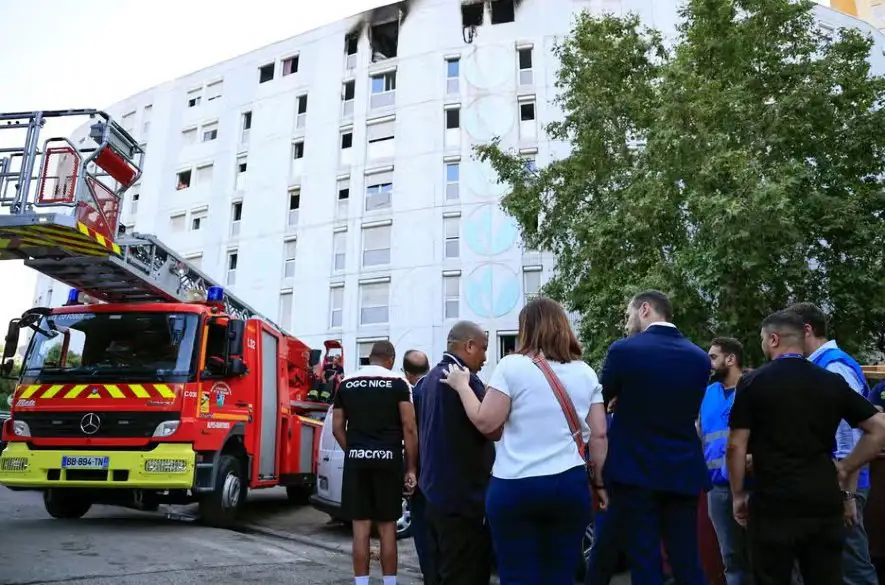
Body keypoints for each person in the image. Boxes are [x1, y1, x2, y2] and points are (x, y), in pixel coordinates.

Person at [442, 297, 608, 585]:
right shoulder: (586, 372)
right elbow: (599, 435)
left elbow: (486, 421)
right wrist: (601, 484)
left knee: (518, 575)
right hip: (569, 485)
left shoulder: (512, 366)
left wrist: (462, 386)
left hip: (515, 487)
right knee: (562, 574)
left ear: (526, 329)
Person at [726, 310, 885, 585]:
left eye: (763, 339)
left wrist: (738, 494)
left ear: (774, 339)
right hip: (822, 501)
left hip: (773, 503)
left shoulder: (753, 382)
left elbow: (735, 446)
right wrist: (846, 467)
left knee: (772, 577)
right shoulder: (830, 381)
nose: (762, 345)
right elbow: (878, 427)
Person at [600, 290, 711, 585]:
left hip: (636, 471)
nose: (627, 323)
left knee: (645, 559)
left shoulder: (624, 351)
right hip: (683, 471)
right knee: (687, 560)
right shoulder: (700, 358)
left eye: (628, 314)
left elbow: (601, 398)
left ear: (645, 309)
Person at [787, 302, 879, 585]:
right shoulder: (820, 366)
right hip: (829, 484)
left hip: (841, 487)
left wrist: (846, 494)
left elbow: (849, 437)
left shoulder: (834, 367)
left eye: (789, 334)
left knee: (852, 570)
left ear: (807, 330)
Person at [332, 340, 419, 585]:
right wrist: (411, 468)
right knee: (387, 528)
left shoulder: (347, 383)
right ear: (390, 359)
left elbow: (337, 427)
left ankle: (362, 583)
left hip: (357, 463)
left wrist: (355, 451)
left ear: (370, 358)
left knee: (360, 529)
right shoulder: (398, 383)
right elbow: (409, 428)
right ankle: (389, 583)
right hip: (389, 461)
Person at [416, 321, 494, 585]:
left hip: (433, 494)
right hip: (462, 498)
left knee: (440, 572)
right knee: (466, 574)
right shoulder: (464, 380)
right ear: (468, 345)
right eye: (483, 349)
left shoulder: (428, 381)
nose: (485, 357)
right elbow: (490, 425)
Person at [701, 337, 752, 585]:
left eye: (713, 357)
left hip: (752, 484)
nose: (708, 363)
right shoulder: (708, 393)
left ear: (730, 359)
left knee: (760, 555)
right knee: (730, 557)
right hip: (717, 488)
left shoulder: (753, 387)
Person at [401, 350, 433, 583]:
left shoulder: (412, 395)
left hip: (421, 475)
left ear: (407, 373)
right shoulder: (443, 389)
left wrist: (410, 471)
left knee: (424, 537)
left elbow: (410, 434)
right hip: (446, 478)